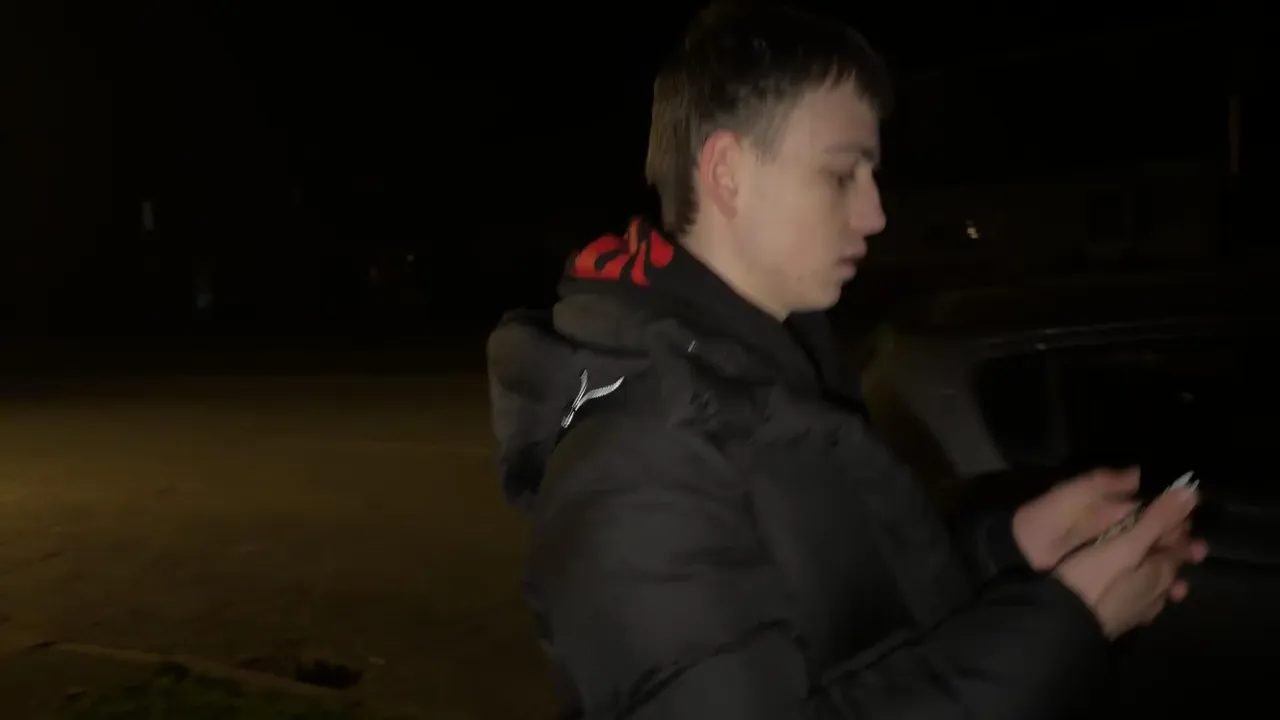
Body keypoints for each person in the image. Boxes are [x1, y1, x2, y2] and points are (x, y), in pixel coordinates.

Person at [486, 3, 1206, 718]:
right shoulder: (633, 457)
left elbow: (850, 619)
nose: (875, 214)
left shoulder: (780, 365)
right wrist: (1068, 622)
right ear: (728, 172)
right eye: (841, 176)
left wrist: (1010, 549)